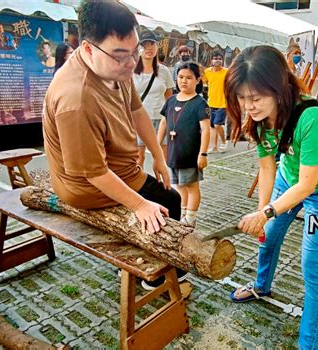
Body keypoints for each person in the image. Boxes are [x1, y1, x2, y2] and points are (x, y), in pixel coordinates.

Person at [42, 0, 184, 289]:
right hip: (84, 186)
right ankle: (155, 276)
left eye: (134, 53)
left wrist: (157, 156)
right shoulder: (76, 98)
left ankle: (140, 263)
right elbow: (92, 173)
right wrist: (140, 205)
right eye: (121, 56)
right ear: (88, 49)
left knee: (164, 194)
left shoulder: (116, 67)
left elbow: (136, 111)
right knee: (170, 201)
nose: (131, 63)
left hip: (116, 167)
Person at [225, 45, 318, 350]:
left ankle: (309, 343)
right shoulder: (258, 119)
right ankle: (261, 287)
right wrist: (261, 214)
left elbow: (308, 186)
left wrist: (266, 212)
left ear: (278, 88)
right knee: (267, 237)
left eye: (255, 98)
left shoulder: (312, 119)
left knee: (312, 267)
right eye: (242, 98)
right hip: (287, 178)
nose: (248, 106)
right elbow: (267, 168)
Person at [158, 62, 210, 227]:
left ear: (198, 80)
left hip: (190, 153)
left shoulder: (200, 103)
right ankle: (184, 213)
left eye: (189, 78)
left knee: (191, 185)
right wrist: (157, 144)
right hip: (174, 152)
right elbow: (163, 123)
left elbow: (206, 130)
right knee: (179, 185)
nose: (184, 81)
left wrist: (203, 154)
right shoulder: (171, 100)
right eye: (180, 77)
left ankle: (191, 218)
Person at [133, 29, 174, 167]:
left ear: (157, 47)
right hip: (139, 119)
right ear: (138, 47)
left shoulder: (163, 71)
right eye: (144, 45)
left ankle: (165, 186)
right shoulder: (130, 70)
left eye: (152, 44)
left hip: (160, 119)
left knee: (163, 157)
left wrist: (170, 118)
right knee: (138, 158)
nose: (148, 48)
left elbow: (169, 97)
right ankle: (139, 187)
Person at [203, 50, 228, 153]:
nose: (218, 61)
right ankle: (214, 147)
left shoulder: (227, 72)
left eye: (220, 59)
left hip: (223, 103)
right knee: (212, 126)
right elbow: (205, 85)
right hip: (211, 102)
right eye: (215, 58)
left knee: (218, 124)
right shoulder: (207, 72)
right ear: (211, 60)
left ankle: (223, 141)